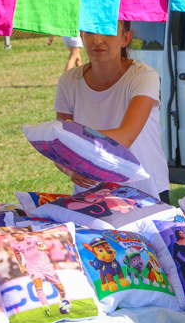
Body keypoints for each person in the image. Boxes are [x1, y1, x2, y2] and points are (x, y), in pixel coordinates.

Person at [54, 20, 170, 202]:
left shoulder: (144, 76)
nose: (97, 40)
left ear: (126, 38)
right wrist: (69, 168)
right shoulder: (68, 81)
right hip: (91, 195)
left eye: (107, 31)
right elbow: (60, 147)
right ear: (81, 35)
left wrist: (72, 142)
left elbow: (127, 135)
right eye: (90, 31)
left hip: (145, 192)